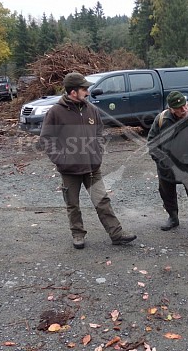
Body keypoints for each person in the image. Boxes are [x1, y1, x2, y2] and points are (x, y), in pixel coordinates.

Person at [39, 72, 137, 249]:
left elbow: (99, 133)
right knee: (73, 205)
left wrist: (98, 152)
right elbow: (46, 139)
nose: (88, 92)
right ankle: (78, 235)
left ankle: (116, 234)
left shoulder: (91, 109)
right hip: (69, 170)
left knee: (102, 202)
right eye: (84, 89)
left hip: (92, 168)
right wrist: (60, 160)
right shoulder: (55, 112)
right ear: (73, 92)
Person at [147, 91, 188, 244]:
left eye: (185, 106)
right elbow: (152, 142)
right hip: (167, 166)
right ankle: (173, 217)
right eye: (179, 108)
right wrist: (159, 160)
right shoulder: (162, 119)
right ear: (171, 109)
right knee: (166, 193)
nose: (184, 110)